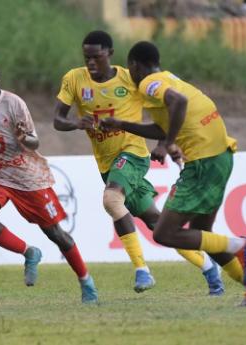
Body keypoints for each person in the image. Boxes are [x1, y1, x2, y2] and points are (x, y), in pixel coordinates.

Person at [100, 41, 246, 306]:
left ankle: (241, 245)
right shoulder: (170, 78)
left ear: (134, 65)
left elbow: (177, 103)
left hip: (202, 161)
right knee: (202, 233)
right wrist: (124, 124)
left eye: (130, 67)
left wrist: (170, 143)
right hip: (220, 155)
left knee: (163, 233)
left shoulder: (150, 83)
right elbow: (166, 124)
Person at [53, 30, 225, 295]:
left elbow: (166, 110)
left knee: (111, 200)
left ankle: (142, 270)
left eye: (96, 57)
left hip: (133, 154)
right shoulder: (74, 79)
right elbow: (57, 120)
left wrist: (166, 143)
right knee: (159, 225)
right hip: (107, 163)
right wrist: (75, 123)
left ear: (109, 54)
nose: (90, 63)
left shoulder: (130, 79)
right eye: (86, 57)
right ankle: (209, 268)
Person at [0, 59, 98, 304]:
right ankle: (29, 252)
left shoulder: (13, 104)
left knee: (55, 233)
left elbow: (35, 142)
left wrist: (24, 138)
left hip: (28, 178)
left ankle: (86, 281)